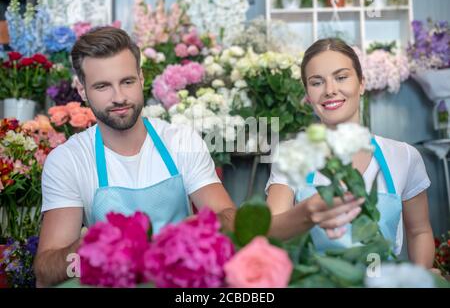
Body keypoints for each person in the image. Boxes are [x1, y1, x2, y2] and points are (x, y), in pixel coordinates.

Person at [33, 27, 237, 287]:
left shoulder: (181, 141)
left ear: (141, 79)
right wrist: (91, 247)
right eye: (102, 86)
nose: (119, 97)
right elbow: (46, 271)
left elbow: (229, 215)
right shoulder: (68, 160)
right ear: (83, 91)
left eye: (127, 82)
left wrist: (188, 234)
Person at [266, 38, 435, 269]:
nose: (330, 90)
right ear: (307, 94)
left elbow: (419, 231)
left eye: (341, 77)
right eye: (317, 82)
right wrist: (306, 213)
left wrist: (420, 277)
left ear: (362, 83)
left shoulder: (403, 156)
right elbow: (271, 230)